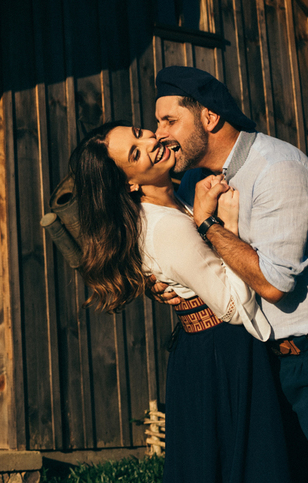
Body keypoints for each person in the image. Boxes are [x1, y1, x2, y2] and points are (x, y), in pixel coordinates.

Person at [152, 66, 308, 483]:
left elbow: (273, 283)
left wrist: (209, 226)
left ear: (209, 118)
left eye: (169, 120)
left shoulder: (277, 168)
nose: (158, 133)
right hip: (276, 364)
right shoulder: (194, 178)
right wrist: (161, 284)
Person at [70, 121, 289, 483]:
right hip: (223, 353)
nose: (152, 140)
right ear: (129, 182)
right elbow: (233, 307)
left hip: (209, 350)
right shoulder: (164, 228)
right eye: (136, 152)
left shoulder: (183, 195)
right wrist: (223, 227)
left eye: (140, 132)